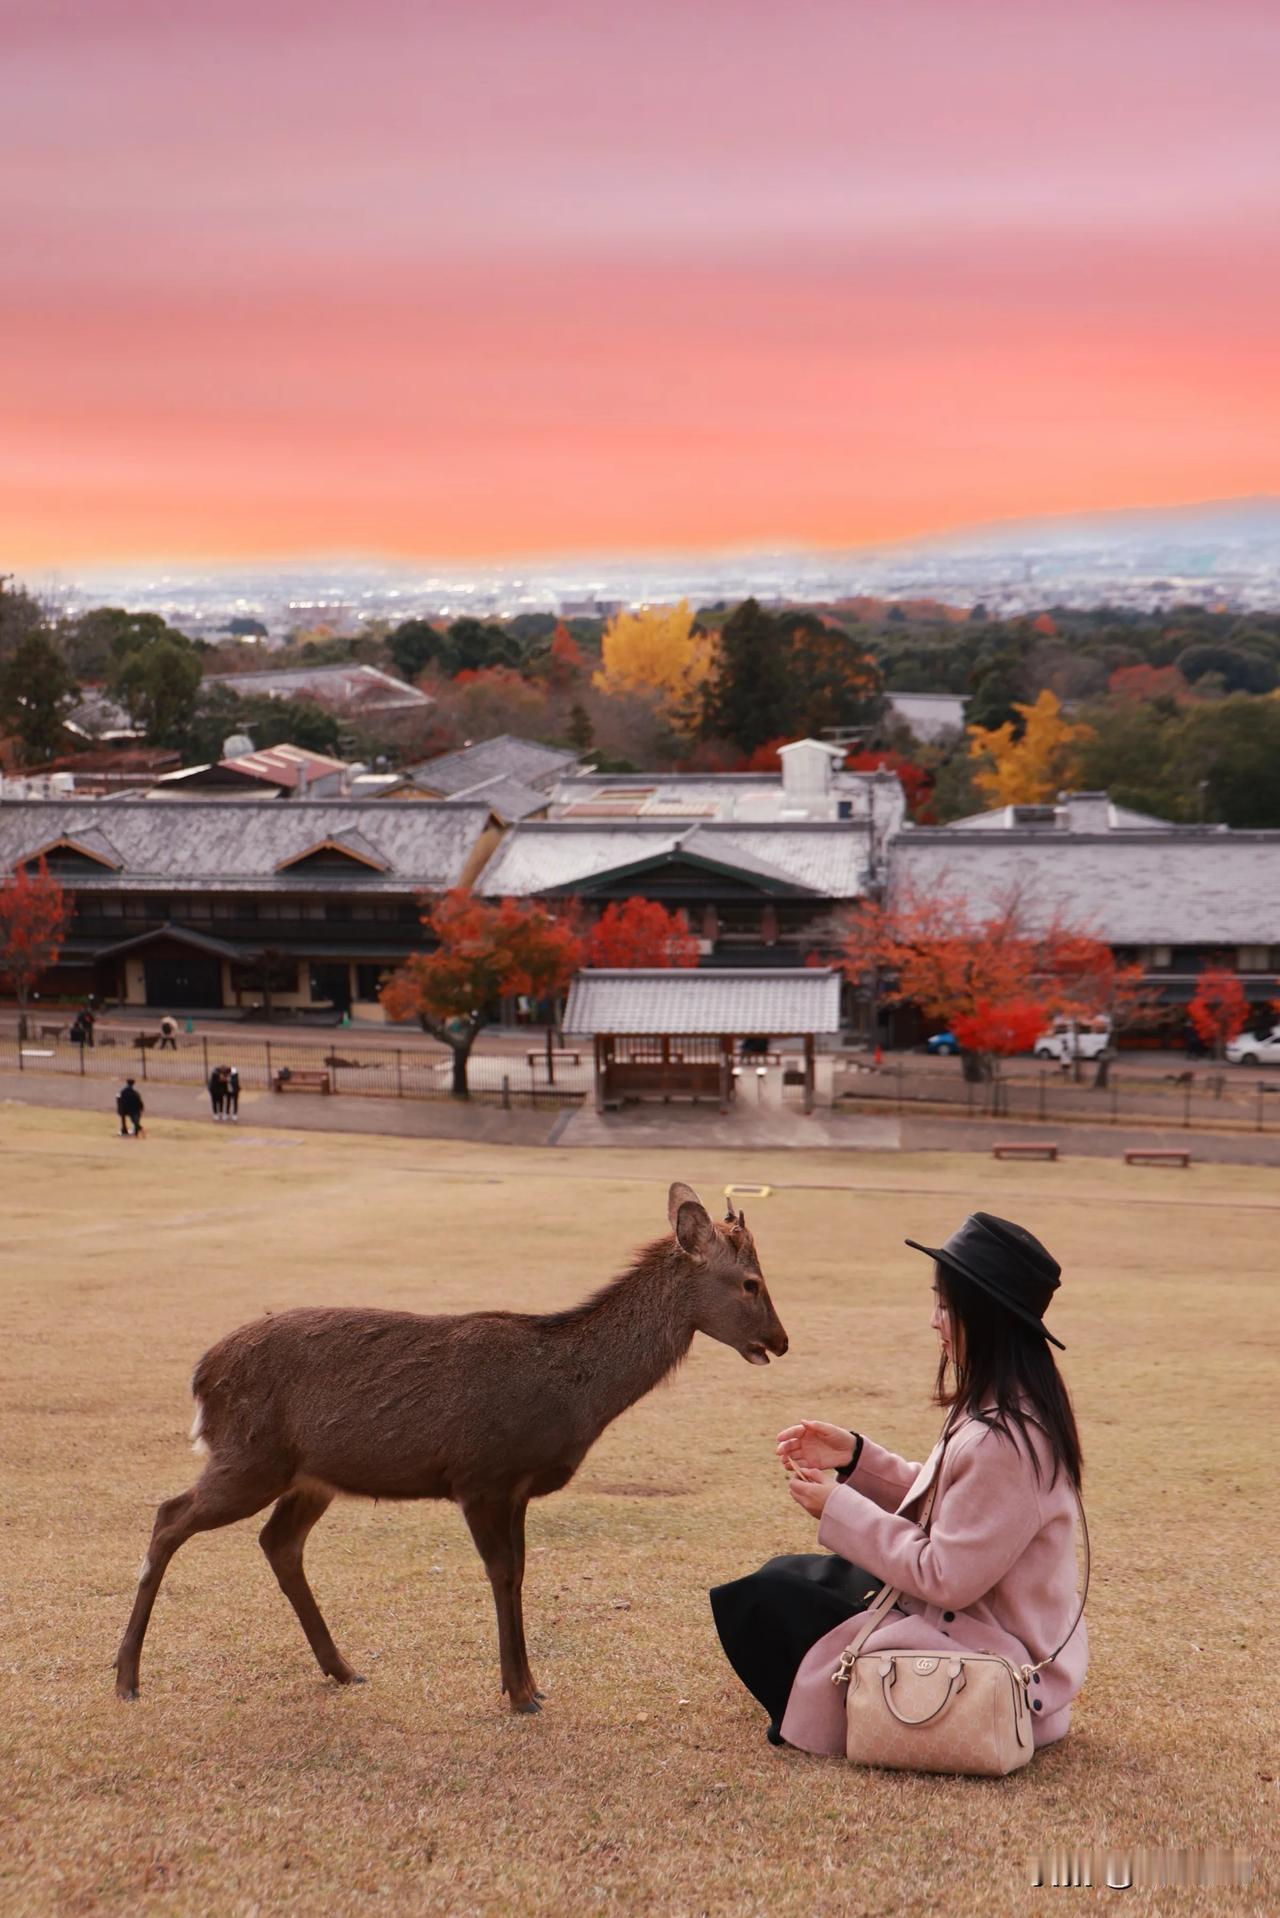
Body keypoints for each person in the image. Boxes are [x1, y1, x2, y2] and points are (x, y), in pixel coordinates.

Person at [710, 1212, 1087, 1757]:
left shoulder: (1004, 1439)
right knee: (785, 1576)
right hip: (974, 1618)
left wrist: (838, 1507)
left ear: (983, 1318)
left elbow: (946, 1575)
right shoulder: (1006, 1406)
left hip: (993, 1652)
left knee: (767, 1600)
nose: (935, 1320)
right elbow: (952, 1507)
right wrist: (856, 1457)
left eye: (944, 1306)